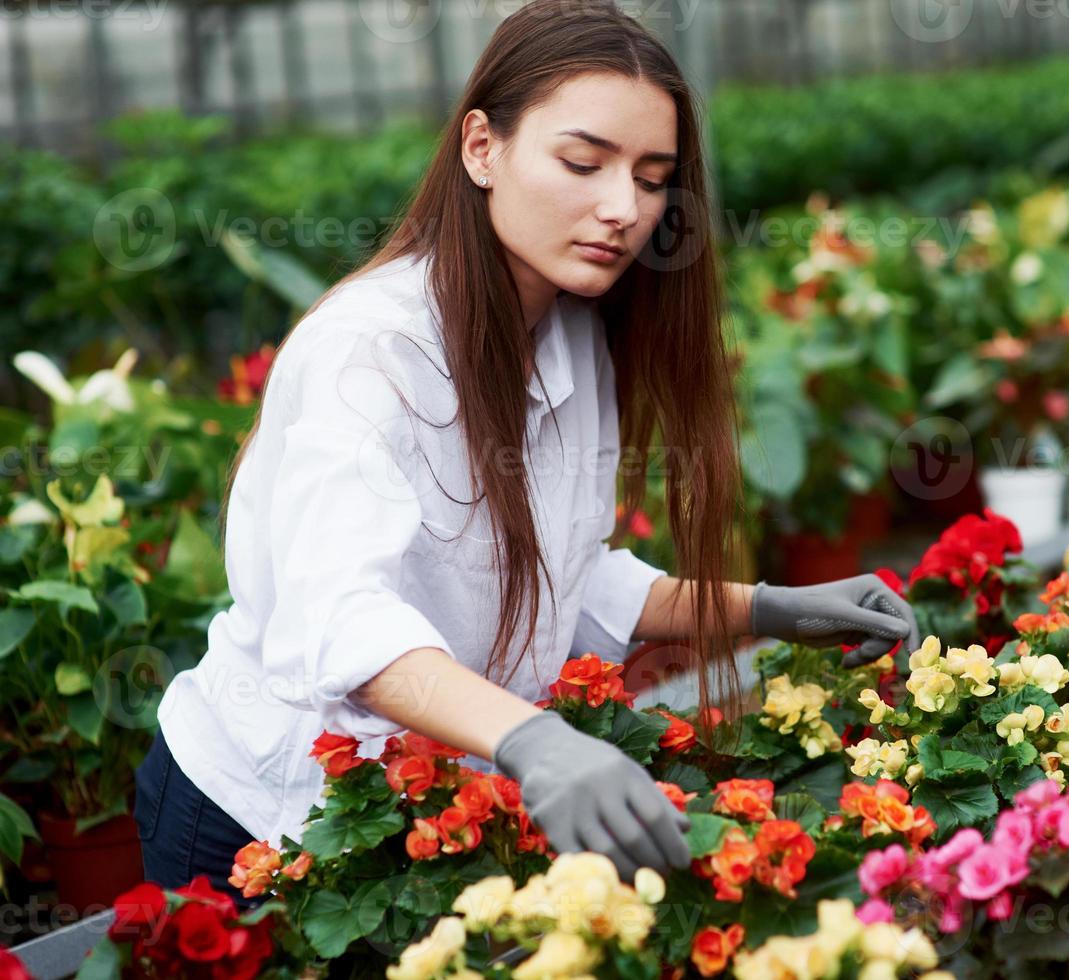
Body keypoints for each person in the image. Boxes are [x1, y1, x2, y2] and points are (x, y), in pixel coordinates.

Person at [134, 0, 919, 904]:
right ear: (482, 148)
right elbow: (341, 622)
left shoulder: (573, 331)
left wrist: (771, 608)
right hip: (257, 816)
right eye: (582, 162)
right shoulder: (373, 348)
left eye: (654, 177)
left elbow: (565, 576)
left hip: (426, 798)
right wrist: (533, 740)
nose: (623, 207)